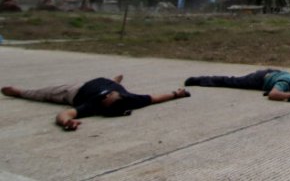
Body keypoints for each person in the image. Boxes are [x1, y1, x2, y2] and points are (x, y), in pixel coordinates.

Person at [1, 74, 190, 131]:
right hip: (106, 82)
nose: (110, 96)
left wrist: (66, 122)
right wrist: (176, 94)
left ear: (105, 101)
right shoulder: (131, 100)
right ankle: (115, 81)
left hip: (75, 90)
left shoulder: (93, 104)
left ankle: (20, 92)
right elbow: (155, 98)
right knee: (115, 83)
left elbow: (65, 113)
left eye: (108, 97)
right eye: (114, 94)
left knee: (44, 93)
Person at [185, 68, 290, 103]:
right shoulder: (285, 83)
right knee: (231, 81)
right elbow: (273, 94)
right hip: (259, 79)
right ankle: (197, 80)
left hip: (275, 73)